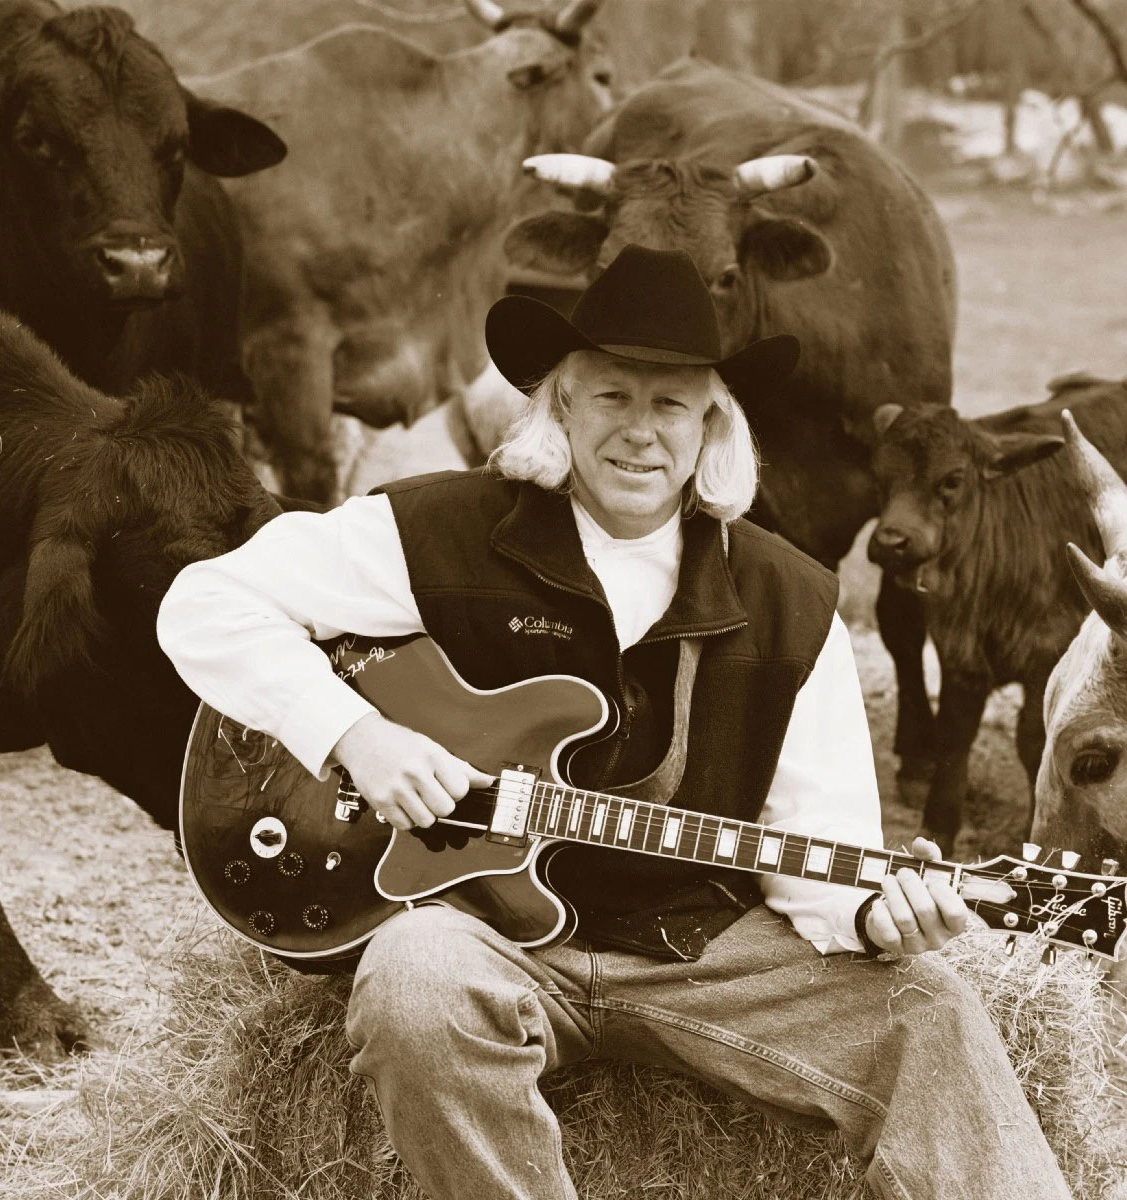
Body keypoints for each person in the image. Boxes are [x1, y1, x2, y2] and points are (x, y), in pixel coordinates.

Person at [157, 245, 1070, 1200]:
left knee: (932, 1013)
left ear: (712, 424)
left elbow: (818, 848)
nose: (640, 433)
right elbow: (204, 602)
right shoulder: (440, 529)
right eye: (610, 398)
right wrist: (353, 733)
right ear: (558, 406)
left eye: (670, 403)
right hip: (488, 937)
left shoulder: (791, 601)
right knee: (412, 983)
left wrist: (883, 915)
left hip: (702, 951)